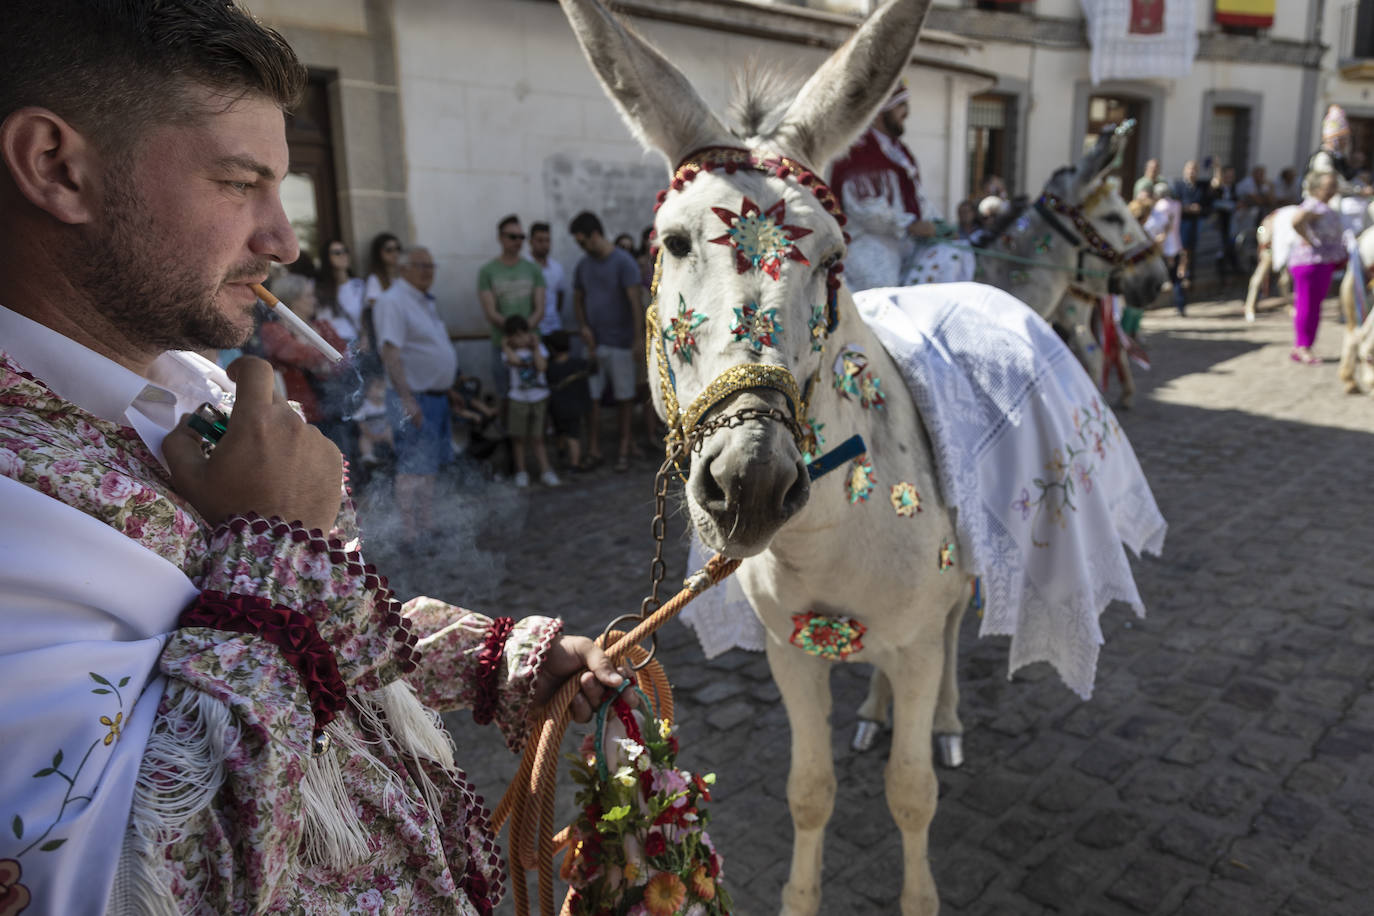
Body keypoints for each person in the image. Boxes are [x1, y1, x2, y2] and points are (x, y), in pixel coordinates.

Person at [0, 3, 627, 914]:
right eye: (236, 181)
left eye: (280, 186)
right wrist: (278, 542)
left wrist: (502, 663)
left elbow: (312, 644)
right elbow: (136, 875)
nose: (283, 240)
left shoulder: (194, 389)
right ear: (58, 168)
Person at [373, 246, 456, 542]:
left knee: (428, 466)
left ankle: (426, 524)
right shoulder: (393, 300)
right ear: (404, 268)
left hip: (434, 396)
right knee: (411, 467)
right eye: (422, 266)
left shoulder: (422, 300)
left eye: (432, 266)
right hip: (412, 397)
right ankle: (409, 533)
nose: (428, 272)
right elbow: (391, 351)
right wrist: (406, 398)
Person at [828, 81, 939, 291]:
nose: (906, 112)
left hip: (902, 242)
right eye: (900, 106)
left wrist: (938, 224)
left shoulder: (899, 151)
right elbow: (864, 208)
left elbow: (917, 197)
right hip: (866, 244)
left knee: (952, 257)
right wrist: (909, 225)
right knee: (881, 290)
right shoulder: (858, 151)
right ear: (880, 112)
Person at [570, 210, 644, 472]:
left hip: (621, 342)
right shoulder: (583, 265)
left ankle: (624, 448)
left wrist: (637, 339)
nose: (581, 247)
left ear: (595, 235)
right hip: (594, 344)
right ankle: (594, 449)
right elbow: (577, 298)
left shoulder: (623, 262)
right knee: (593, 399)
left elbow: (635, 303)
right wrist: (583, 326)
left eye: (582, 241)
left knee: (625, 398)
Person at [258, 272, 351, 453]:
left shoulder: (323, 325)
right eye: (308, 295)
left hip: (333, 407)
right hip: (299, 413)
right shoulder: (273, 330)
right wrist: (322, 359)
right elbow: (299, 355)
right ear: (293, 299)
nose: (314, 300)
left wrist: (316, 355)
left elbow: (344, 359)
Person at [477, 215, 546, 399]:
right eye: (512, 237)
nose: (518, 241)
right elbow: (491, 312)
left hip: (531, 344)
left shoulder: (533, 269)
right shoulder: (487, 271)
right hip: (503, 343)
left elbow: (539, 308)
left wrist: (524, 336)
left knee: (535, 395)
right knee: (505, 396)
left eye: (521, 237)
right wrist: (514, 334)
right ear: (500, 238)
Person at [1289, 172, 1346, 364]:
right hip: (1310, 263)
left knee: (1313, 306)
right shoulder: (1313, 204)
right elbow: (1297, 220)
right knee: (1307, 305)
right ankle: (1303, 347)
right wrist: (1308, 239)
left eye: (1334, 185)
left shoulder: (1323, 206)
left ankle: (1304, 346)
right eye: (1329, 185)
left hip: (1321, 262)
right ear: (1316, 188)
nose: (1333, 189)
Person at [500, 315, 559, 488]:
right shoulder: (508, 353)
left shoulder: (539, 348)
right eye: (515, 336)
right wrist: (505, 346)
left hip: (538, 398)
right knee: (518, 438)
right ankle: (521, 471)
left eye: (523, 334)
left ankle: (546, 470)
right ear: (509, 337)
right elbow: (515, 361)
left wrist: (534, 348)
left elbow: (541, 366)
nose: (521, 339)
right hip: (518, 399)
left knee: (538, 437)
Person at [544, 329, 593, 472]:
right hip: (575, 408)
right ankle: (574, 463)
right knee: (574, 436)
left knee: (560, 433)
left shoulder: (550, 367)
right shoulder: (577, 364)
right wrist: (590, 344)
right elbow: (592, 364)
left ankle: (562, 455)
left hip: (557, 409)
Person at [1171, 160, 1211, 310]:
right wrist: (1187, 208)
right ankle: (1180, 292)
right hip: (1178, 230)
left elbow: (1216, 184)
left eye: (1195, 169)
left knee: (1185, 260)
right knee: (1180, 262)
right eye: (1189, 169)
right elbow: (1175, 204)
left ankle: (1181, 297)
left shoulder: (1201, 187)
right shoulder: (1178, 185)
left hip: (1192, 230)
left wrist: (1217, 166)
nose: (1192, 172)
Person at [314, 238, 367, 346]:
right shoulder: (318, 288)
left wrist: (365, 338)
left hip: (357, 345)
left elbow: (365, 319)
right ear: (327, 258)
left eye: (345, 251)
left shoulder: (359, 285)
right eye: (337, 253)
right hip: (330, 347)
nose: (343, 255)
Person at [1145, 181, 1185, 315]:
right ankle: (1180, 306)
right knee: (1177, 279)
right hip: (1176, 244)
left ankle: (1150, 302)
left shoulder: (1160, 207)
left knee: (1157, 276)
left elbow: (1155, 226)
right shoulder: (1177, 205)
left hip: (1164, 246)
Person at [529, 221, 568, 336]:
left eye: (547, 240)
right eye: (540, 240)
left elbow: (560, 295)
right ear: (531, 241)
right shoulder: (524, 266)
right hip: (531, 331)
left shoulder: (557, 268)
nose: (545, 245)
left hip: (554, 328)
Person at [1211, 164, 1241, 281]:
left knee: (1230, 244)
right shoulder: (1218, 188)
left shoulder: (1233, 188)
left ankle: (1232, 268)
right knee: (1222, 246)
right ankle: (1223, 271)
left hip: (1231, 222)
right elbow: (1214, 202)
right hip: (1220, 222)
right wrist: (1232, 205)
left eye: (1231, 176)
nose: (1230, 178)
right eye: (1227, 176)